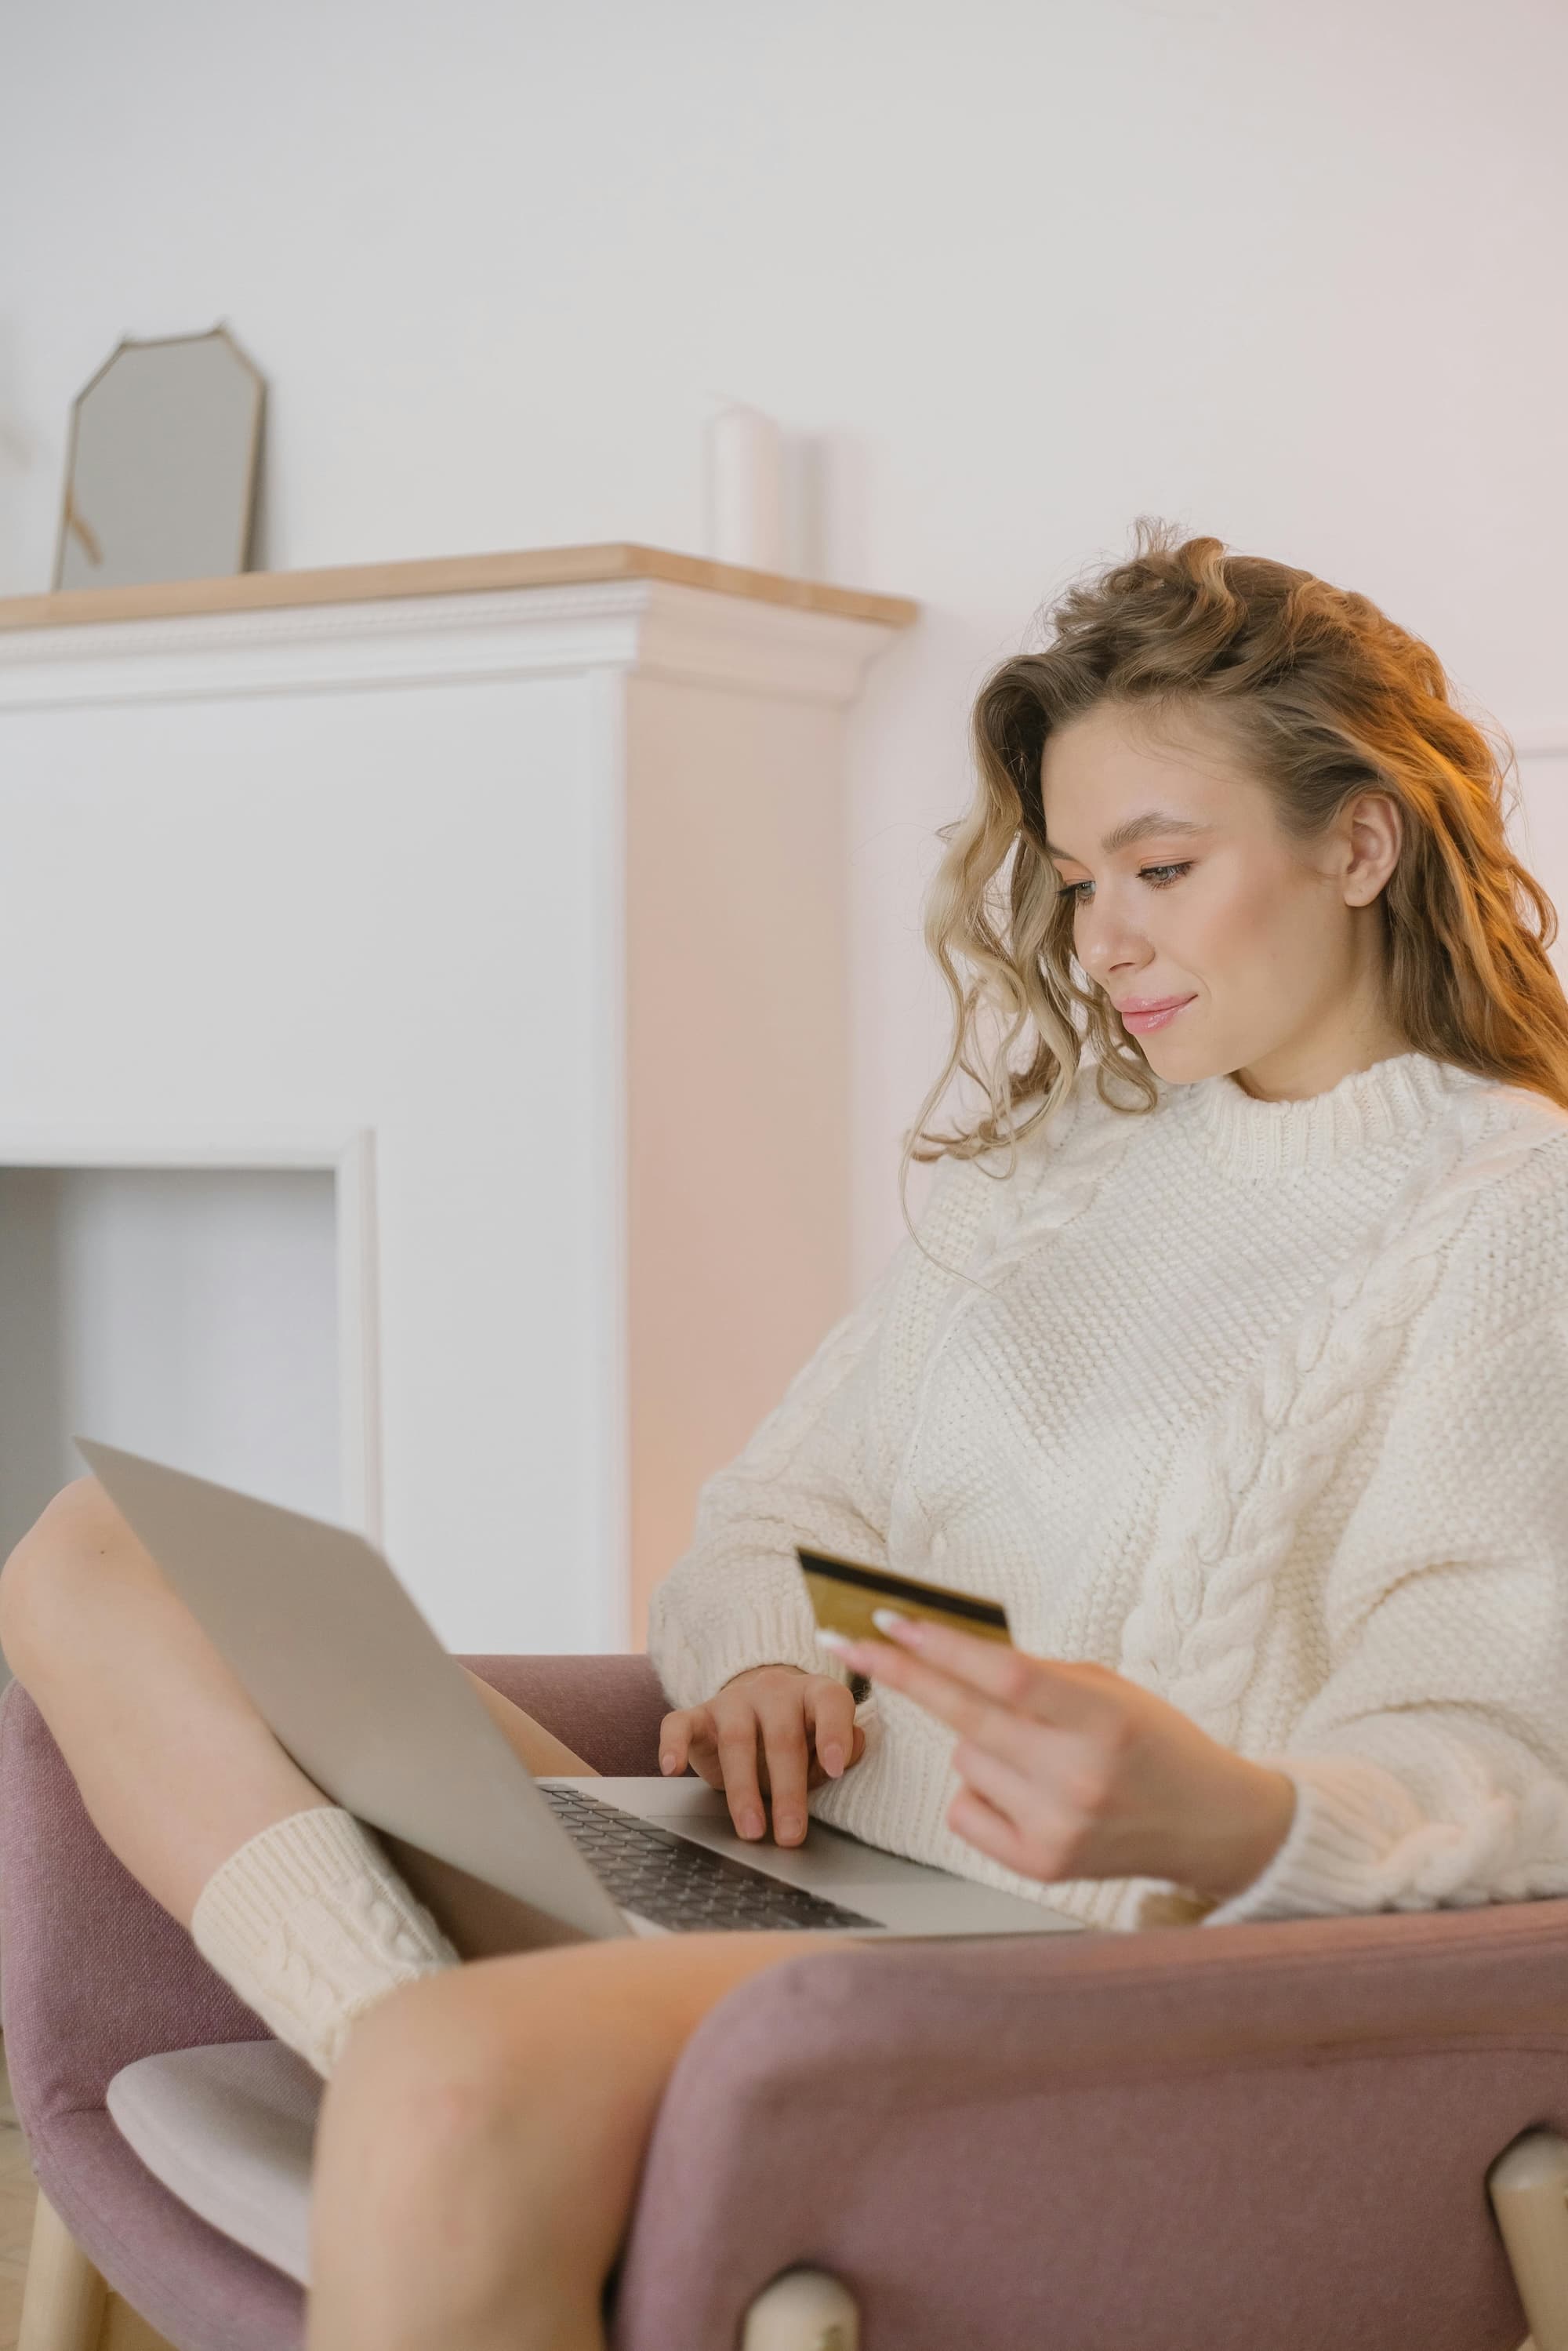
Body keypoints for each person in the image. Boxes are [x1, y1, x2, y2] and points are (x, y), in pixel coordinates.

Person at [6, 518, 1568, 2350]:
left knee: (448, 2066)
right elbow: (771, 1510)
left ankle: (475, 2093)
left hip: (1048, 1987)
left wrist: (1212, 1810)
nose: (1108, 937)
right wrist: (761, 1659)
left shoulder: (1504, 1209)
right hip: (766, 1866)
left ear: (1357, 839)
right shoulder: (1067, 1171)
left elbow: (1498, 1747)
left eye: (1160, 863)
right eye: (1077, 881)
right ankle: (519, 2083)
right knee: (95, 1550)